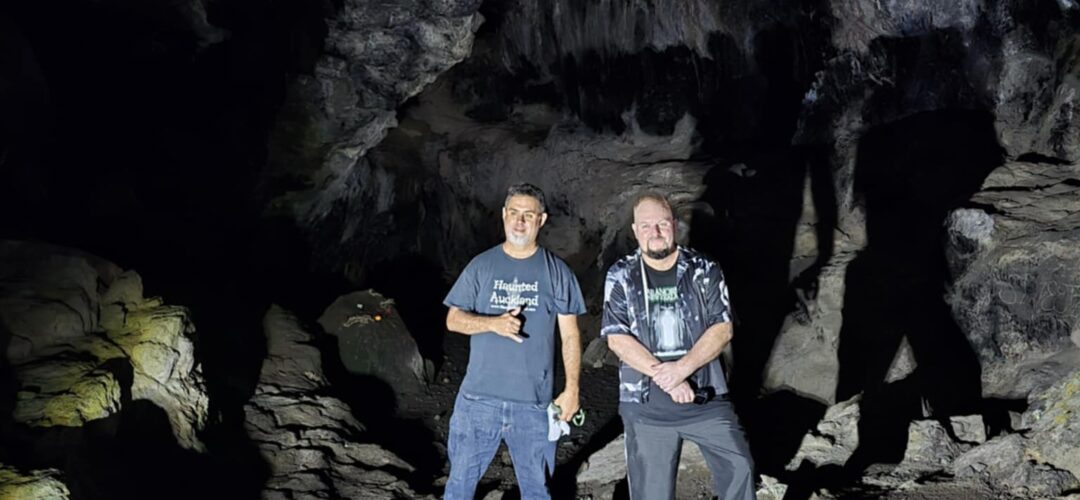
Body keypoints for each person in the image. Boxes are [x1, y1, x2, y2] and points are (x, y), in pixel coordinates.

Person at [601, 193, 755, 500]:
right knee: (651, 493)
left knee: (741, 467)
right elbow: (616, 337)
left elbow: (722, 328)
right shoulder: (621, 274)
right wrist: (669, 379)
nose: (654, 232)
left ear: (674, 224)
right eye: (646, 226)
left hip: (705, 398)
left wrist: (682, 370)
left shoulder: (704, 268)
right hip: (645, 405)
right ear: (635, 231)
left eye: (661, 223)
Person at [443, 183, 586, 500]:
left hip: (533, 405)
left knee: (537, 490)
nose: (520, 222)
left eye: (528, 215)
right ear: (504, 216)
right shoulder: (481, 265)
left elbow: (571, 334)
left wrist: (572, 388)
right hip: (477, 401)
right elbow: (453, 320)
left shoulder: (557, 272)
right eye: (514, 214)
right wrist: (492, 323)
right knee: (459, 487)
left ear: (541, 220)